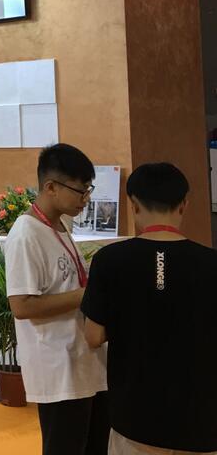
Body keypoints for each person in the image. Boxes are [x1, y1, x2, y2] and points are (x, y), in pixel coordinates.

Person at [81, 163, 217, 455]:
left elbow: (93, 336)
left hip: (135, 417)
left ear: (133, 205)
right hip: (202, 419)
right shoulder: (211, 262)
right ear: (184, 204)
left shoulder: (109, 260)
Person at [6, 143, 108, 455]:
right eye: (80, 190)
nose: (85, 199)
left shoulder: (60, 227)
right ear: (50, 187)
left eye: (88, 190)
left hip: (84, 361)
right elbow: (21, 306)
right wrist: (86, 295)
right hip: (57, 367)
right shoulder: (26, 233)